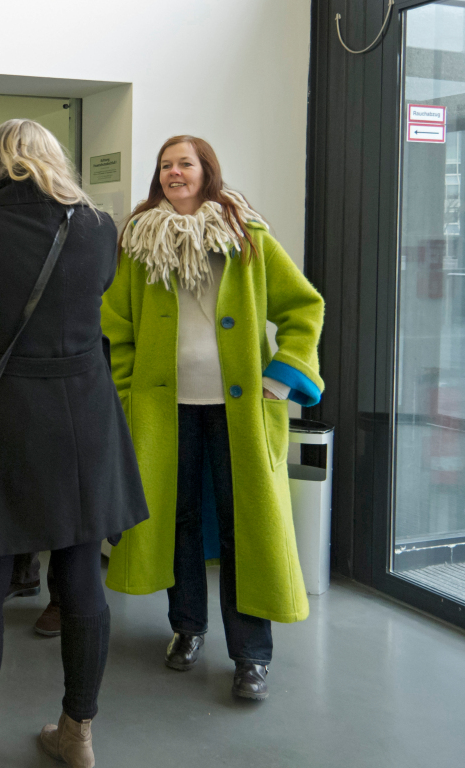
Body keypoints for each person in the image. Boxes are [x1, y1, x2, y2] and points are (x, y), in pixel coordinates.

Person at [0, 119, 149, 768]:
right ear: (54, 159)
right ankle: (77, 735)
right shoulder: (100, 229)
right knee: (82, 581)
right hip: (84, 423)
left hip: (0, 424)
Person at [102, 135, 325, 701]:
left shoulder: (247, 236)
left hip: (241, 414)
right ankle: (187, 629)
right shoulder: (138, 242)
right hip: (165, 413)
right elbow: (117, 328)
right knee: (178, 522)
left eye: (186, 163)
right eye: (166, 166)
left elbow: (304, 307)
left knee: (242, 526)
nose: (175, 173)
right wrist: (128, 393)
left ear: (207, 171)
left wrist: (281, 377)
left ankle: (251, 656)